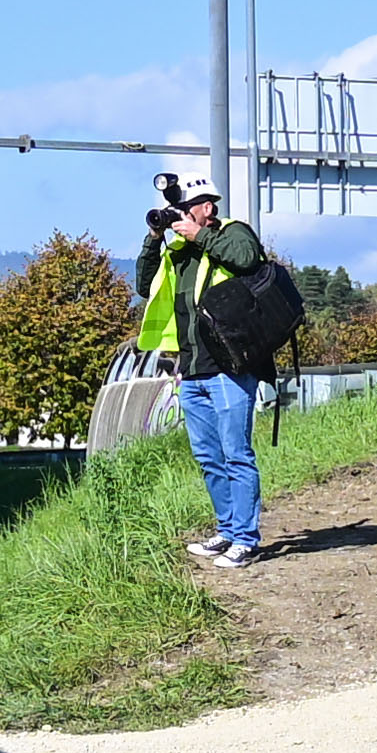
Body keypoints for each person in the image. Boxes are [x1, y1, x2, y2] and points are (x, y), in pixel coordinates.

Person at [133, 165, 293, 567]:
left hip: (231, 367)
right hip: (191, 369)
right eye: (176, 211)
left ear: (206, 206)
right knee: (208, 457)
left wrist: (199, 236)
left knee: (236, 453)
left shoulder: (231, 232)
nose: (180, 217)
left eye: (187, 209)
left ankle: (246, 539)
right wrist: (156, 238)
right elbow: (143, 283)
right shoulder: (179, 251)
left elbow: (244, 259)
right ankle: (226, 530)